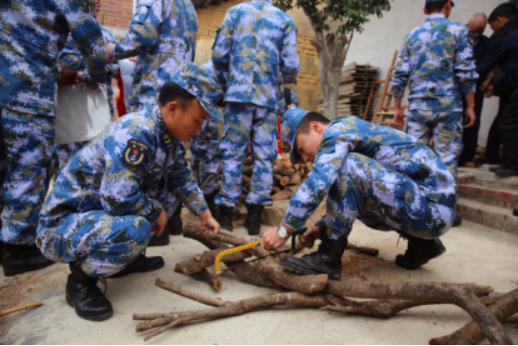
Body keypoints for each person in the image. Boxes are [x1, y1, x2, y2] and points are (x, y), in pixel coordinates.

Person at [36, 62, 222, 321]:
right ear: (172, 109)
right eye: (198, 120)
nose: (200, 129)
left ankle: (129, 258)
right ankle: (80, 282)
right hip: (60, 226)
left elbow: (182, 178)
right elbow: (117, 197)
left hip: (95, 214)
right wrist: (155, 213)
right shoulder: (136, 133)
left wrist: (204, 213)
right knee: (137, 225)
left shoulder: (168, 137)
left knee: (169, 195)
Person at [261, 109, 457, 279]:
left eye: (302, 149)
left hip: (434, 205)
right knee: (349, 176)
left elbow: (318, 182)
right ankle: (423, 244)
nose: (304, 158)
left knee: (347, 166)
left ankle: (328, 258)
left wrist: (284, 229)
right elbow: (354, 196)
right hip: (430, 209)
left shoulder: (338, 130)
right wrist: (322, 228)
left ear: (316, 127)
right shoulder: (349, 135)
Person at [0, 0, 107, 277]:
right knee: (28, 167)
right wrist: (98, 74)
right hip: (28, 90)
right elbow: (89, 37)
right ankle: (18, 247)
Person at [212, 0, 300, 235]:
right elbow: (291, 64)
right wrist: (278, 79)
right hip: (268, 99)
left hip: (238, 95)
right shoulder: (285, 19)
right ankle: (254, 216)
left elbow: (219, 55)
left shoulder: (235, 12)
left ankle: (226, 215)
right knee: (264, 154)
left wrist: (226, 84)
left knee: (232, 151)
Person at [392, 0, 478, 227]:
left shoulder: (412, 35)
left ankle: (412, 208)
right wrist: (470, 105)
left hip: (418, 107)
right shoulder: (459, 31)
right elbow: (465, 70)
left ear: (424, 9)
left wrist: (398, 108)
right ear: (448, 5)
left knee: (413, 157)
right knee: (447, 158)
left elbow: (400, 74)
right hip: (448, 106)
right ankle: (444, 213)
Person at [106, 0, 198, 113]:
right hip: (176, 102)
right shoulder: (189, 6)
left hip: (152, 99)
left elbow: (142, 37)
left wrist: (113, 51)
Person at [477, 3, 518, 177]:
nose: (492, 31)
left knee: (507, 123)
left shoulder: (502, 36)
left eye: (492, 27)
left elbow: (485, 65)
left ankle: (513, 165)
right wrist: (495, 86)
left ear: (500, 20)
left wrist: (467, 84)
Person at [459, 13, 490, 167]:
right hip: (457, 89)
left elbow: (493, 63)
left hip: (476, 89)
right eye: (474, 30)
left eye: (480, 31)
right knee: (456, 120)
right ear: (467, 25)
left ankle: (468, 157)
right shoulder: (458, 39)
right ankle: (455, 157)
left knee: (472, 121)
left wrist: (489, 80)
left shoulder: (485, 43)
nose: (477, 34)